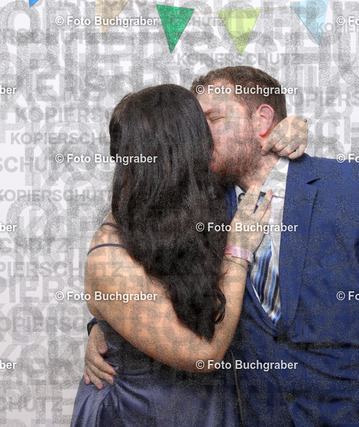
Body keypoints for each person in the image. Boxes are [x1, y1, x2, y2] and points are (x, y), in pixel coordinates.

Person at [84, 66, 359, 426]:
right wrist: (107, 327)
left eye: (212, 119)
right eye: (193, 124)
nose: (196, 136)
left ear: (262, 121)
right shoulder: (198, 208)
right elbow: (156, 276)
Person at [70, 83, 308, 426]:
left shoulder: (192, 205)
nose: (212, 140)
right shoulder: (109, 258)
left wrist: (292, 127)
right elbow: (202, 355)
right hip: (142, 413)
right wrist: (237, 251)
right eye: (202, 130)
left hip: (213, 405)